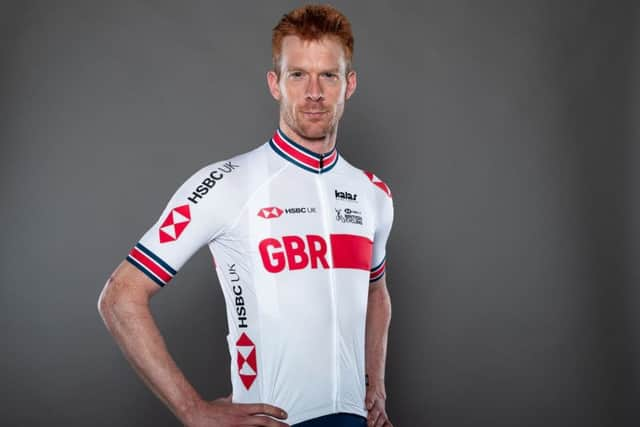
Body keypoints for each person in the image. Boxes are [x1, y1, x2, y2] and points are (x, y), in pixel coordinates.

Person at [98, 5, 394, 427]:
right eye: (298, 75)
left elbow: (375, 292)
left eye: (328, 75)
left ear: (349, 84)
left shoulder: (373, 193)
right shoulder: (227, 183)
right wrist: (193, 410)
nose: (314, 91)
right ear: (275, 84)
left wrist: (375, 387)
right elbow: (120, 295)